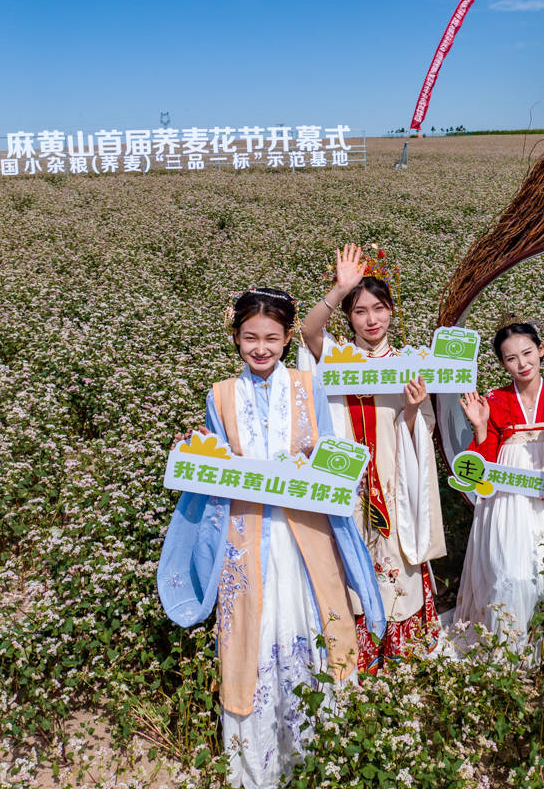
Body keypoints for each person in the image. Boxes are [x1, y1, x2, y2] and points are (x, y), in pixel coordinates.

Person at [157, 288, 385, 789]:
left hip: (303, 533)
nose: (261, 348)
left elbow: (328, 452)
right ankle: (259, 765)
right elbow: (216, 461)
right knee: (252, 630)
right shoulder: (220, 395)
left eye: (272, 338)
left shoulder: (308, 386)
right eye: (250, 338)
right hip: (247, 534)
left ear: (286, 339)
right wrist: (195, 457)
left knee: (309, 616)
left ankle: (320, 753)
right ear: (235, 338)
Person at [301, 244, 446, 671]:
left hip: (394, 473)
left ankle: (403, 642)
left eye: (379, 309)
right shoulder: (338, 359)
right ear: (349, 317)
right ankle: (357, 645)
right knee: (350, 551)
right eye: (360, 310)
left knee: (396, 553)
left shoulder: (407, 363)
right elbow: (309, 332)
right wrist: (338, 288)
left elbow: (424, 429)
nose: (371, 319)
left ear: (391, 312)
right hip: (349, 474)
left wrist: (416, 408)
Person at [454, 319, 544, 651]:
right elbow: (481, 467)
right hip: (508, 495)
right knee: (510, 570)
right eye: (511, 358)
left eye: (528, 353)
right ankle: (508, 651)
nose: (523, 364)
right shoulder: (495, 400)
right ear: (502, 364)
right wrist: (479, 426)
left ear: (541, 350)